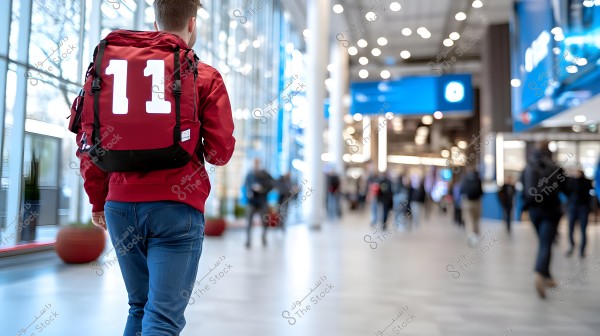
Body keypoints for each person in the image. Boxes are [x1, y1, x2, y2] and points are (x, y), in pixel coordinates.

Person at [74, 1, 236, 334]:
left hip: (120, 206)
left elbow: (88, 144)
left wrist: (97, 202)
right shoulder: (204, 76)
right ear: (192, 24)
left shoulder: (109, 70)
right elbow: (221, 153)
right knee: (162, 317)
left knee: (139, 306)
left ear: (154, 22)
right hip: (177, 208)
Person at [521, 141, 568, 299]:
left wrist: (525, 209)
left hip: (535, 212)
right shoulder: (554, 166)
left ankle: (547, 276)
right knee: (545, 244)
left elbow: (523, 191)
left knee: (543, 242)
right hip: (551, 211)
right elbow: (566, 188)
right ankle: (540, 273)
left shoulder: (528, 166)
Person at [245, 159, 275, 248]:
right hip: (252, 201)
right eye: (255, 163)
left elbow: (272, 184)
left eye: (257, 163)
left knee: (265, 221)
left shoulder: (265, 174)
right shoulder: (249, 174)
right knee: (249, 222)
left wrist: (262, 189)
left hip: (262, 201)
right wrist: (250, 190)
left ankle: (264, 237)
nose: (256, 165)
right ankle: (248, 240)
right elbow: (246, 185)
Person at [566, 169, 592, 258]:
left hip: (583, 208)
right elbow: (567, 192)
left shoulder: (586, 182)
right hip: (573, 208)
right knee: (570, 230)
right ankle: (571, 246)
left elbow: (588, 194)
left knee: (583, 230)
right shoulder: (571, 182)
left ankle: (582, 250)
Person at [460, 166, 483, 246]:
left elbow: (461, 190)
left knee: (469, 220)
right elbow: (481, 191)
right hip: (476, 202)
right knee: (476, 219)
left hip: (467, 202)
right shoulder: (478, 179)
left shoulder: (465, 178)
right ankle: (476, 235)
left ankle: (470, 235)